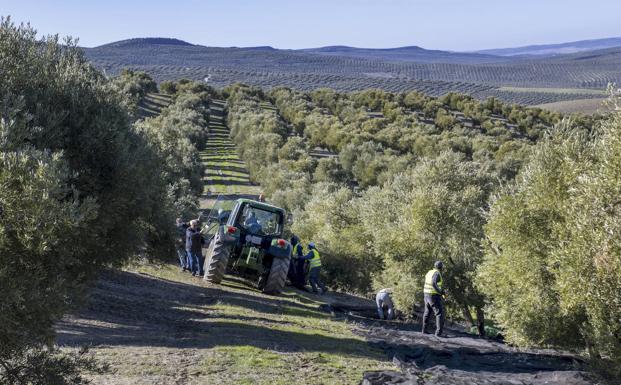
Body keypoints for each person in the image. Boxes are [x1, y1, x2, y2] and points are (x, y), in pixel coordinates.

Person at [422, 260, 446, 337]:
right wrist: (440, 292)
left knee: (427, 312)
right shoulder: (437, 273)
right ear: (441, 267)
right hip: (433, 296)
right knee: (439, 313)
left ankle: (424, 330)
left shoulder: (429, 272)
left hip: (426, 295)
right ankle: (438, 333)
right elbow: (433, 283)